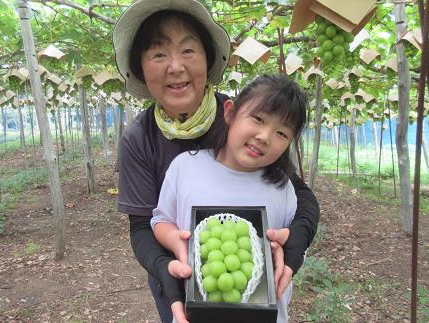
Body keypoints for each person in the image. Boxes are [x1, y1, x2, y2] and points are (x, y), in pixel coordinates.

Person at [112, 1, 320, 322]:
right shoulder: (140, 139)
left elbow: (296, 193)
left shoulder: (244, 120)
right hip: (180, 283)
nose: (176, 66)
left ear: (208, 60)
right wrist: (165, 270)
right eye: (158, 54)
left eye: (189, 51)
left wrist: (295, 245)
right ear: (141, 67)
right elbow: (143, 225)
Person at [151, 74, 307, 322]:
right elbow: (160, 220)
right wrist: (175, 241)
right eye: (258, 119)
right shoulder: (185, 168)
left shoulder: (282, 187)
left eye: (281, 133)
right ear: (230, 113)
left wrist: (284, 249)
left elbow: (291, 242)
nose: (264, 136)